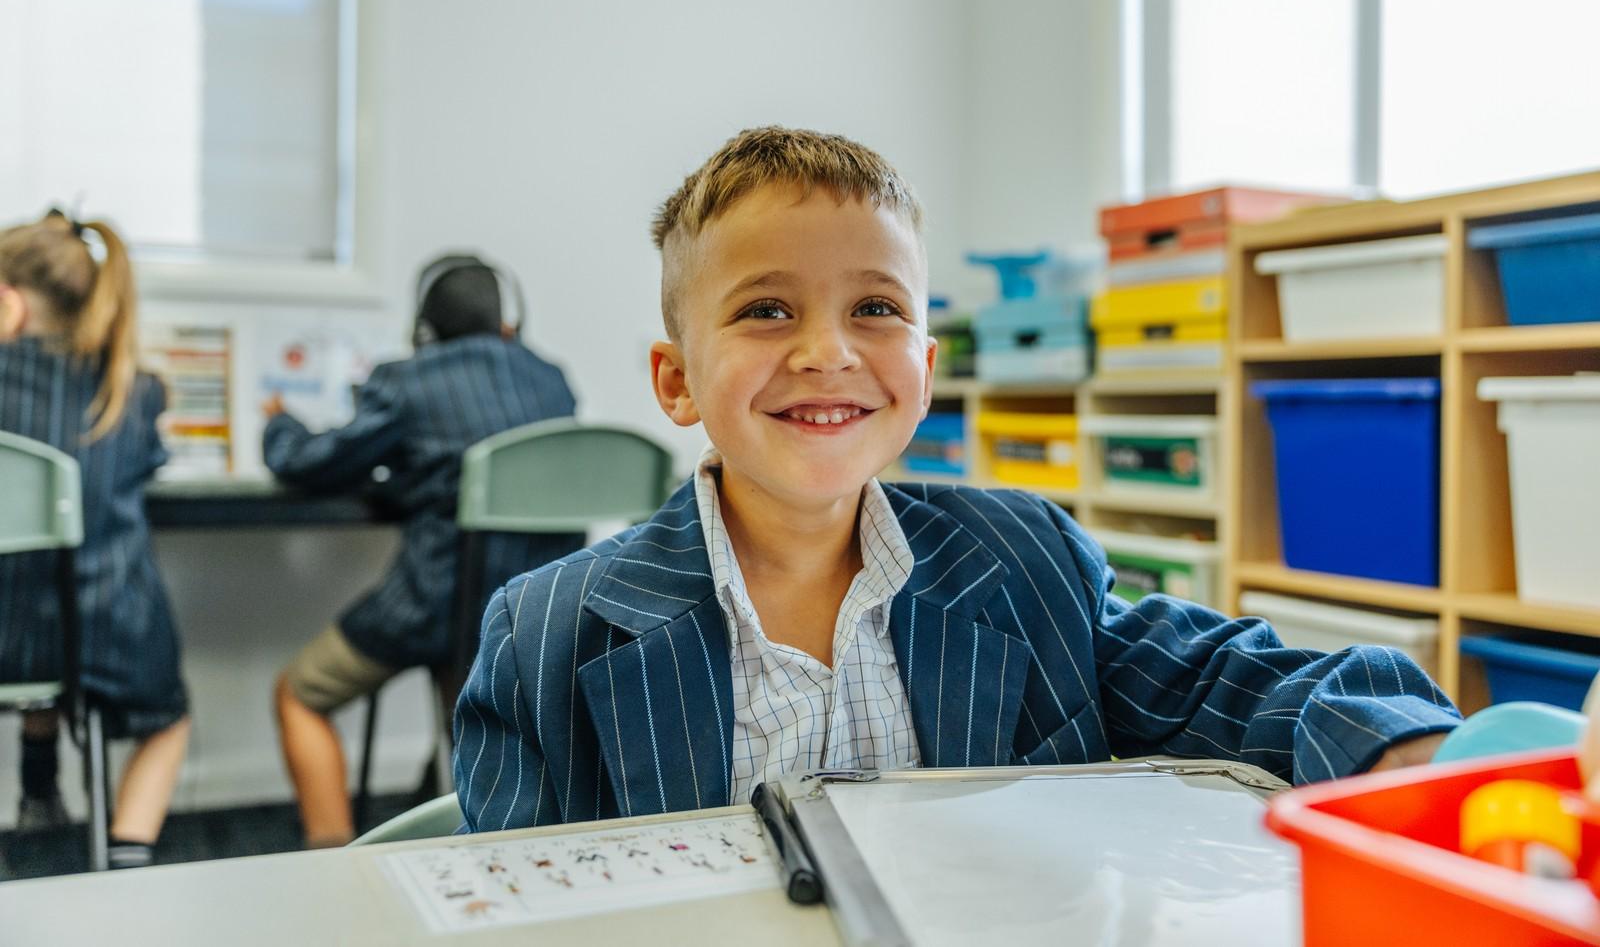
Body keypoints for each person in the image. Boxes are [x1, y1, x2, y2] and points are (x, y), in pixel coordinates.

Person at [453, 127, 1459, 832]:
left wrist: (1409, 750)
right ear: (676, 380)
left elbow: (1236, 680)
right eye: (765, 309)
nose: (826, 352)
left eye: (877, 309)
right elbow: (515, 905)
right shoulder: (545, 635)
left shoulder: (1028, 562)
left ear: (926, 371)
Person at [265, 253, 580, 846]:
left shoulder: (406, 381)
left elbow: (309, 465)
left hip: (438, 610)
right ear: (509, 323)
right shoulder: (551, 380)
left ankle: (333, 863)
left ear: (423, 332)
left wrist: (279, 425)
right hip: (532, 620)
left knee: (299, 693)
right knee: (467, 684)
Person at [0, 209, 191, 868]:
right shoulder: (132, 391)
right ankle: (128, 854)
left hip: (9, 628)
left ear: (6, 304)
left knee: (28, 619)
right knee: (168, 719)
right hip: (103, 635)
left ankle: (38, 792)